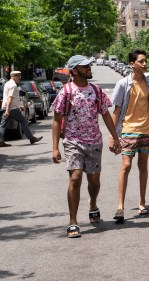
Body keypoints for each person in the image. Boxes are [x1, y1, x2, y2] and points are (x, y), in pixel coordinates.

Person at [51, 55, 121, 238]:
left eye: (89, 65)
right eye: (85, 66)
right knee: (75, 178)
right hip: (73, 141)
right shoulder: (66, 92)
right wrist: (55, 147)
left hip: (94, 142)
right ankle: (73, 222)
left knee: (94, 182)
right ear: (75, 70)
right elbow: (57, 120)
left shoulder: (97, 91)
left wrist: (115, 137)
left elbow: (106, 115)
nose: (89, 68)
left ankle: (92, 203)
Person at [110, 49, 149, 221]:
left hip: (146, 130)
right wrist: (112, 136)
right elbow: (116, 110)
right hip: (128, 129)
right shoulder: (123, 84)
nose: (145, 64)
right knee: (126, 166)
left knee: (143, 166)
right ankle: (120, 207)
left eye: (146, 61)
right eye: (141, 61)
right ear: (132, 64)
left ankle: (142, 203)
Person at [0, 71, 43, 147]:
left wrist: (18, 105)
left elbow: (9, 98)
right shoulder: (13, 86)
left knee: (3, 125)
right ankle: (31, 138)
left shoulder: (7, 83)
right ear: (13, 76)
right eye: (18, 76)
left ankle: (0, 141)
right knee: (23, 121)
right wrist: (7, 110)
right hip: (12, 109)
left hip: (8, 107)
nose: (20, 78)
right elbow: (9, 98)